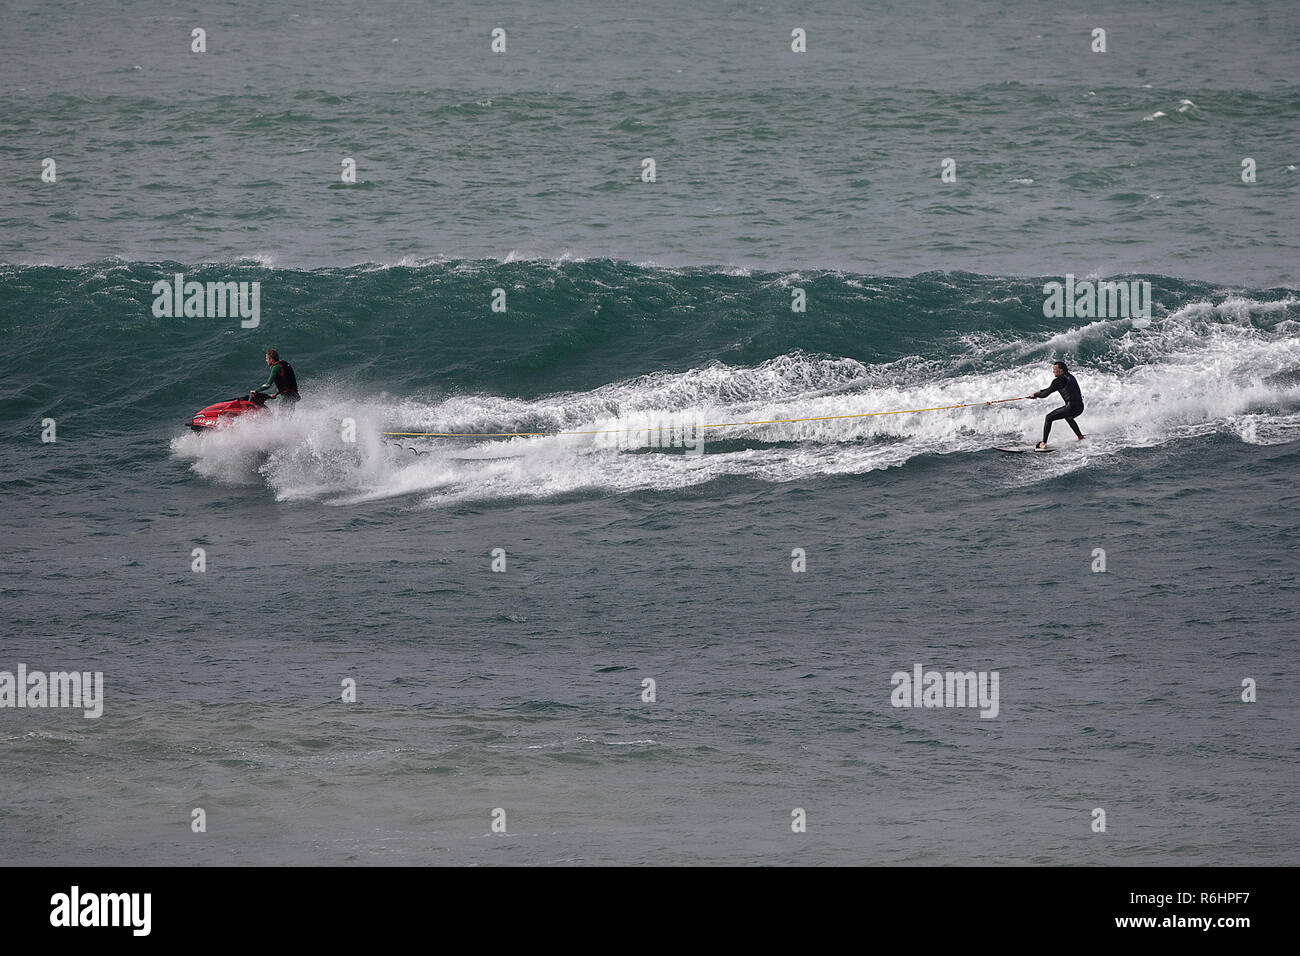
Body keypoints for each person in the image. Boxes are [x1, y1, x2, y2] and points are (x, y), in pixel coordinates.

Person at [1026, 360, 1084, 449]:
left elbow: (1045, 394)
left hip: (1071, 407)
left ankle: (1043, 443)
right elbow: (1049, 389)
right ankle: (1080, 437)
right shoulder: (1071, 377)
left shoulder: (1059, 380)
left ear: (1060, 370)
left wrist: (1036, 395)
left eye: (1055, 369)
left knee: (1049, 417)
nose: (1053, 371)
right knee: (1068, 417)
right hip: (1080, 407)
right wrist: (1036, 394)